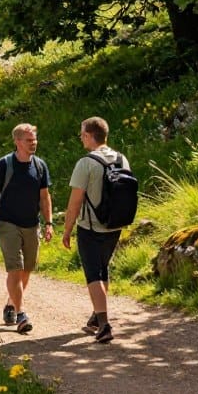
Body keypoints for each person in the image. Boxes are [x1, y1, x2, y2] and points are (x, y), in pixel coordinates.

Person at [62, 116, 129, 344]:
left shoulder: (86, 163)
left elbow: (75, 203)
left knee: (93, 274)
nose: (81, 138)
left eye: (82, 134)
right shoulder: (121, 159)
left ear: (90, 135)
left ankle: (104, 325)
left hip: (91, 227)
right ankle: (96, 316)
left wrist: (67, 230)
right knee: (103, 269)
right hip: (114, 225)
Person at [0, 122, 53, 334]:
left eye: (34, 139)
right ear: (17, 141)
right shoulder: (4, 165)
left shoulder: (40, 166)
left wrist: (49, 223)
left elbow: (44, 197)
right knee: (15, 267)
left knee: (27, 269)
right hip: (7, 223)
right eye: (29, 140)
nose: (33, 143)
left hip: (32, 224)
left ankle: (11, 304)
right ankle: (22, 314)